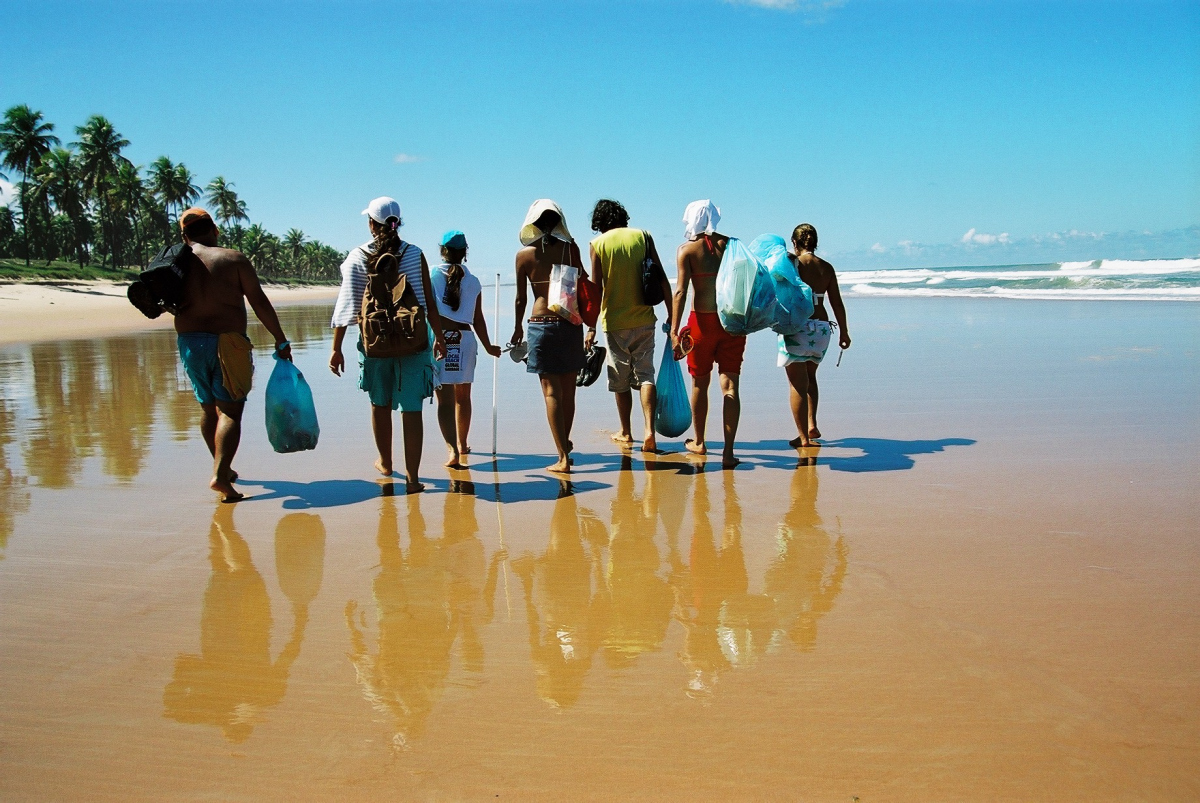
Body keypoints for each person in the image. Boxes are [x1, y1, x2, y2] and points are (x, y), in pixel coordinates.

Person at [174, 207, 292, 502]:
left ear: (184, 235)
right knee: (230, 410)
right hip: (228, 343)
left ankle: (221, 466)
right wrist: (280, 338)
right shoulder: (232, 259)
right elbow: (259, 302)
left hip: (189, 342)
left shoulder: (177, 262)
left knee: (207, 407)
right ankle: (221, 474)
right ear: (214, 228)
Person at [329, 197, 445, 493]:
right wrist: (440, 337)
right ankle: (414, 478)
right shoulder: (415, 253)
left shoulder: (357, 256)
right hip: (413, 341)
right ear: (398, 223)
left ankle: (385, 462)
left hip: (375, 344)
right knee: (412, 409)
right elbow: (428, 302)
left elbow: (348, 306)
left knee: (379, 403)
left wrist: (336, 348)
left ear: (371, 223)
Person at [587, 199, 673, 453]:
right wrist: (672, 315)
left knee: (620, 380)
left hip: (614, 323)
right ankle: (649, 432)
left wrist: (590, 326)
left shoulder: (597, 244)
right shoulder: (643, 236)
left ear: (600, 222)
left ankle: (626, 431)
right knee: (646, 375)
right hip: (645, 318)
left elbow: (596, 289)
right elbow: (661, 278)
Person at [512, 200, 587, 474]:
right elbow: (583, 283)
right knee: (569, 391)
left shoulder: (524, 256)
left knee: (551, 393)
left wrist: (517, 328)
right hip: (569, 322)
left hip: (541, 323)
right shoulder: (571, 250)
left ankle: (562, 457)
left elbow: (521, 299)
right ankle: (564, 446)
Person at [670, 200, 744, 469]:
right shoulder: (733, 246)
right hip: (733, 323)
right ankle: (728, 451)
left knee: (700, 383)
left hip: (701, 323)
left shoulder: (687, 251)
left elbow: (680, 292)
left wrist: (674, 330)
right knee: (730, 386)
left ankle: (700, 442)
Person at [430, 230, 502, 468]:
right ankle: (462, 443)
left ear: (442, 250)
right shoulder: (473, 281)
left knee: (445, 400)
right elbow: (477, 318)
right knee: (463, 397)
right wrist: (488, 345)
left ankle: (452, 450)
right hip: (465, 339)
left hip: (442, 338)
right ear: (465, 253)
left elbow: (425, 311)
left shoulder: (431, 275)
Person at [781, 223, 851, 447]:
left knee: (796, 384)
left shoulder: (791, 264)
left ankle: (802, 438)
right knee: (811, 377)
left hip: (797, 326)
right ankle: (812, 424)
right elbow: (836, 302)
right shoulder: (827, 268)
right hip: (821, 328)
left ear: (794, 242)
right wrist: (845, 332)